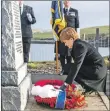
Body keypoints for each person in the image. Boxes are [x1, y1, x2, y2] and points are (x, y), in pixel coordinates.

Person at [59, 27, 107, 94]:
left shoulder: (80, 46)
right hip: (95, 69)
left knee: (69, 67)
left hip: (98, 70)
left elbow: (77, 65)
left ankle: (89, 88)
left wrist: (66, 84)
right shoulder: (78, 44)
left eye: (65, 42)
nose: (65, 44)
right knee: (69, 67)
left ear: (71, 39)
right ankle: (88, 88)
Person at [55, 0, 80, 75]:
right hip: (62, 36)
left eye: (68, 1)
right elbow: (55, 24)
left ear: (70, 2)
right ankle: (63, 69)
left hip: (71, 37)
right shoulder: (59, 12)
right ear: (63, 3)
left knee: (69, 54)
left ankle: (68, 70)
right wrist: (55, 35)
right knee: (62, 54)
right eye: (65, 1)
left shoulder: (75, 11)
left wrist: (77, 36)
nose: (66, 2)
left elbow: (77, 24)